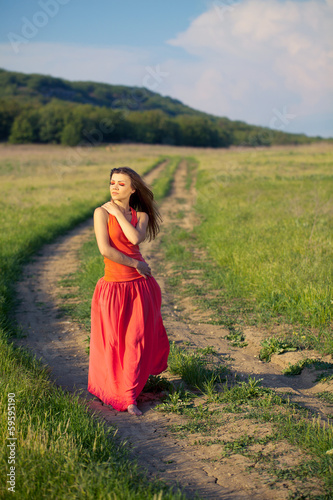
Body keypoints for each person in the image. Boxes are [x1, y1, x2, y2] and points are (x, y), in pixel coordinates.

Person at [88, 166, 169, 416]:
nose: (114, 187)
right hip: (112, 287)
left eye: (121, 184)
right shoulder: (100, 213)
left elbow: (134, 239)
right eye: (112, 182)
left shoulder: (140, 216)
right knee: (113, 343)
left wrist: (119, 213)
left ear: (133, 189)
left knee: (135, 341)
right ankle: (112, 389)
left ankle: (129, 396)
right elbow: (106, 250)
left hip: (140, 287)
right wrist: (136, 263)